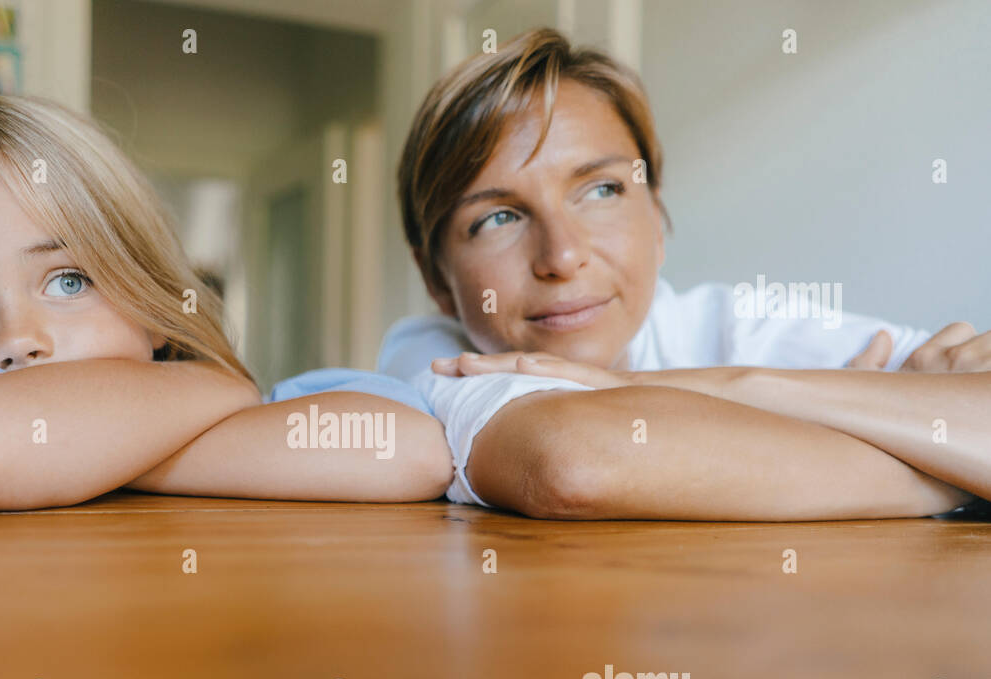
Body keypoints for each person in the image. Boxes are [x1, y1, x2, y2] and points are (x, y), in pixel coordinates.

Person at [378, 27, 990, 520]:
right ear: (435, 278)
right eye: (499, 218)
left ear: (657, 215)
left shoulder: (735, 324)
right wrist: (948, 467)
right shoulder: (432, 356)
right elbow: (575, 462)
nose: (562, 258)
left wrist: (753, 388)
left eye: (602, 189)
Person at [0, 95, 451, 510]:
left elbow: (410, 448)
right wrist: (214, 390)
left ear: (153, 310)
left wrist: (105, 445)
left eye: (68, 281)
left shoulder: (200, 403)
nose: (21, 339)